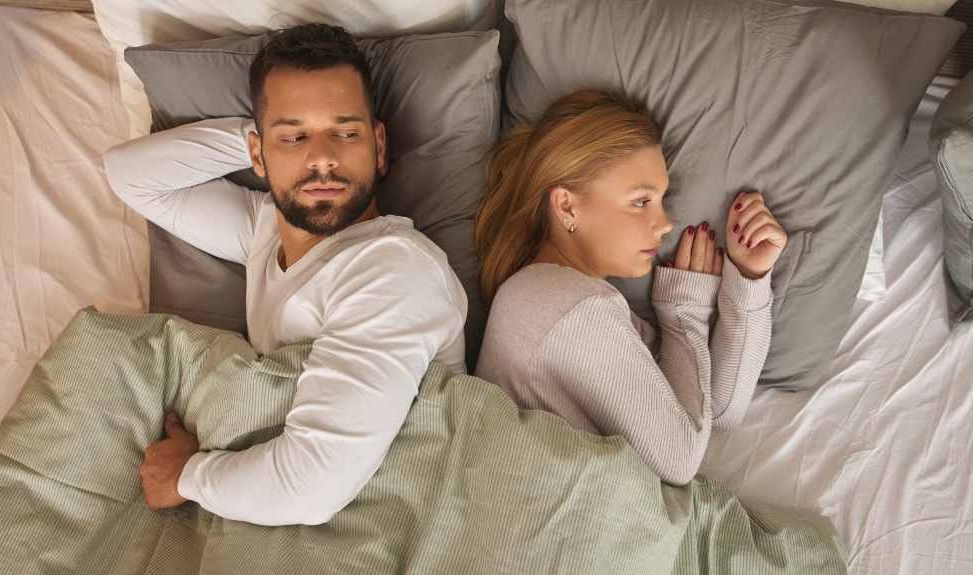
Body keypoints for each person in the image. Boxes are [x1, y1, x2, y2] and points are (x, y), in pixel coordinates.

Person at [104, 23, 467, 525]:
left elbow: (311, 486)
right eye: (295, 135)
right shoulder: (264, 233)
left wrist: (187, 475)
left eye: (345, 132)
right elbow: (131, 175)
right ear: (257, 153)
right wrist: (263, 145)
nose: (322, 157)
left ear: (379, 147)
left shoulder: (394, 267)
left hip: (385, 516)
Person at [473, 90, 786, 486]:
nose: (666, 223)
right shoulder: (574, 306)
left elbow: (717, 409)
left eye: (661, 199)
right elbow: (683, 456)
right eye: (641, 202)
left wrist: (748, 276)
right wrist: (682, 316)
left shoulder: (558, 295)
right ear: (567, 206)